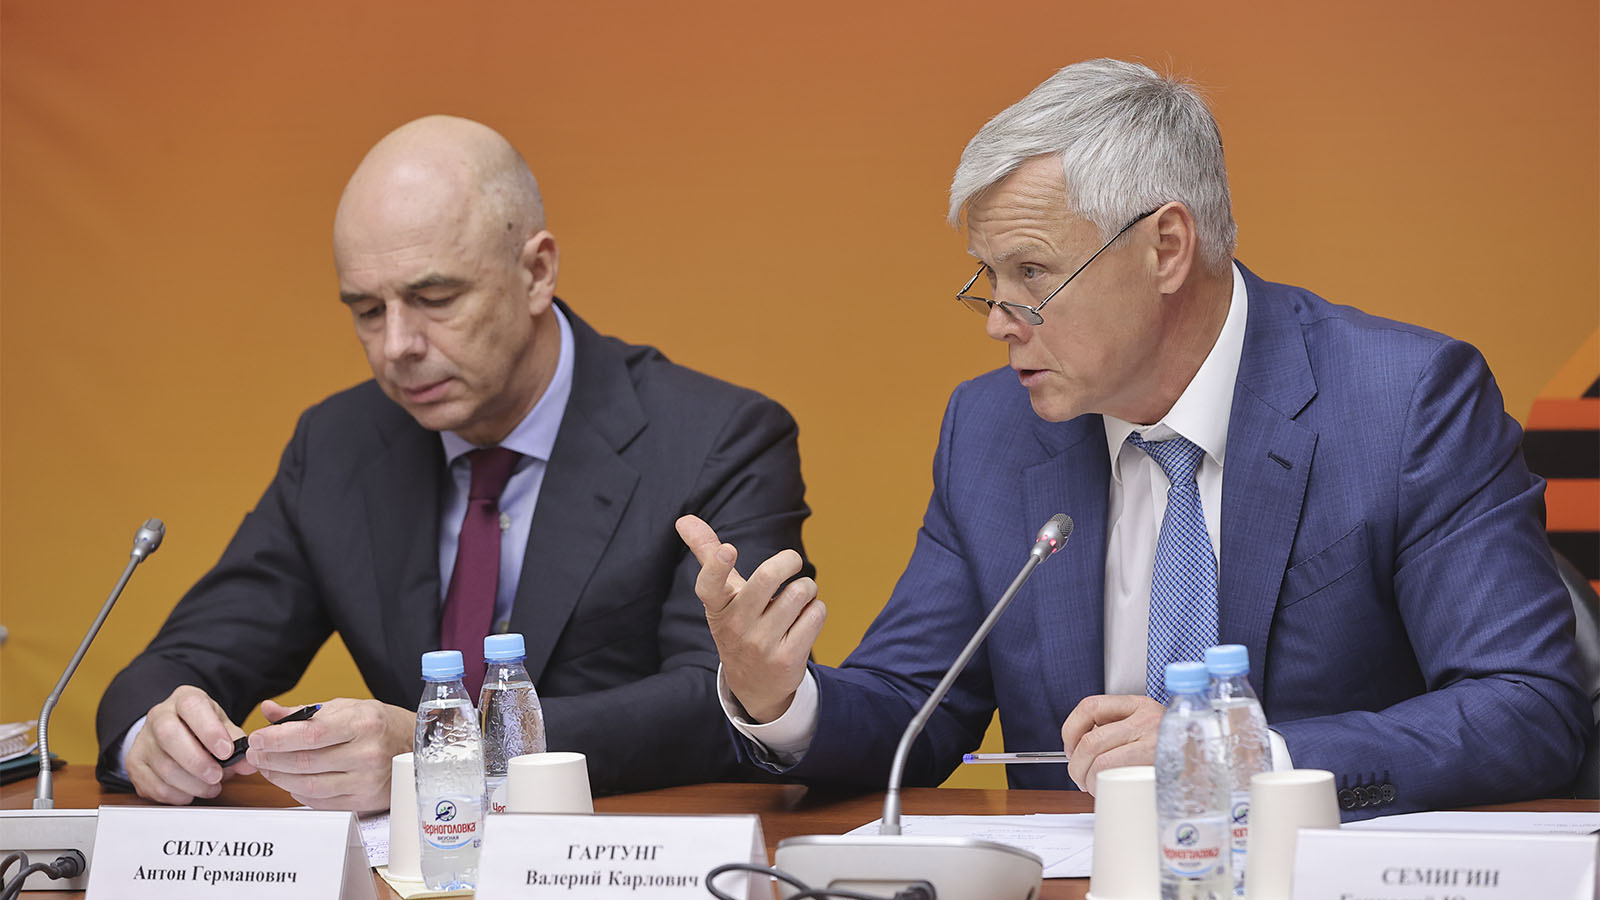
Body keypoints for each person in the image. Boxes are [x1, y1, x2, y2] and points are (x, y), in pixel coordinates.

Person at [678, 59, 1587, 818]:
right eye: (986, 277)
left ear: (1166, 248)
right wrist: (778, 695)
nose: (997, 320)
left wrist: (1239, 757)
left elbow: (1527, 707)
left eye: (1031, 273)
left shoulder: (1403, 403)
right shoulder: (989, 430)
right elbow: (917, 706)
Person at [96, 115, 812, 811]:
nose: (396, 346)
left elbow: (724, 700)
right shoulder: (339, 445)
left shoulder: (716, 438)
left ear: (537, 272)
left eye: (434, 299)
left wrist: (445, 748)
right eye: (367, 311)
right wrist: (156, 736)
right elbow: (184, 662)